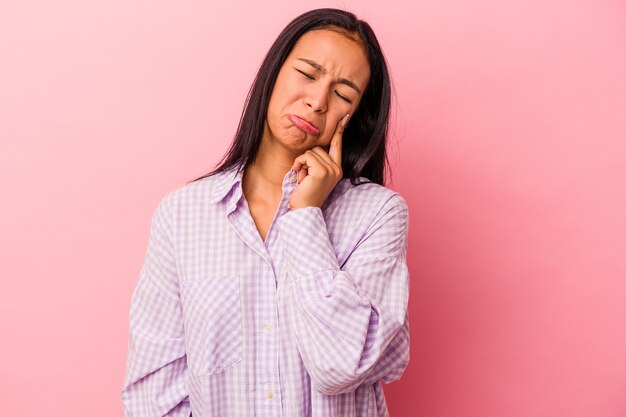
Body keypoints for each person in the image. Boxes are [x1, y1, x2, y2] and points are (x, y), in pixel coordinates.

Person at [121, 8, 410, 417]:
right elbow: (154, 393)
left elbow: (341, 364)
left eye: (343, 94)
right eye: (307, 74)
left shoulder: (378, 215)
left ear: (355, 116)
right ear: (274, 72)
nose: (317, 101)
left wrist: (305, 215)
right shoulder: (183, 216)